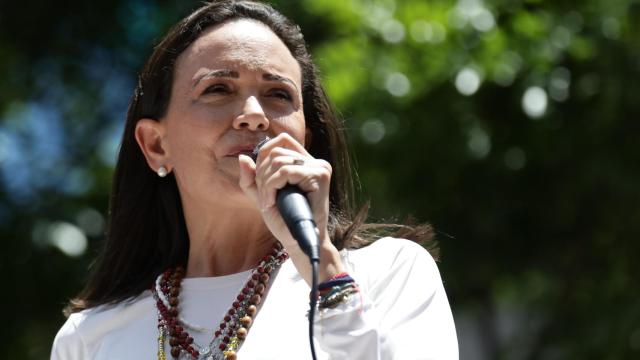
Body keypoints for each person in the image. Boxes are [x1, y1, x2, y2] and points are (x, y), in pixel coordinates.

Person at [50, 1, 458, 359]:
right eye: (218, 89)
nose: (253, 114)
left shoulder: (389, 274)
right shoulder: (89, 338)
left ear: (304, 142)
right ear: (157, 145)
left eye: (278, 94)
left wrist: (323, 267)